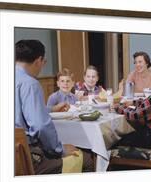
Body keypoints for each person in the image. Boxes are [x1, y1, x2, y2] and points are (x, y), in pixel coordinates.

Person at [15, 40, 93, 174]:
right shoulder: (30, 84)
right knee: (87, 160)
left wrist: (51, 109)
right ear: (39, 60)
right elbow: (40, 126)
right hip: (27, 155)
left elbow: (21, 111)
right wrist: (60, 149)